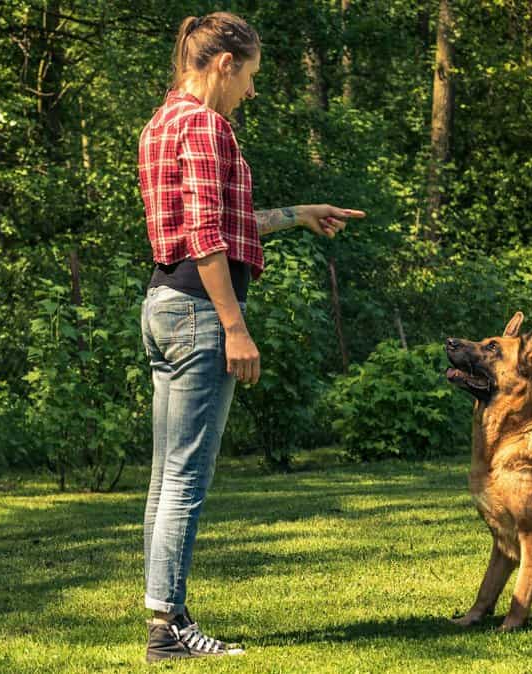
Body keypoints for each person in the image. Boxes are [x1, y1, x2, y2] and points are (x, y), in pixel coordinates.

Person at [137, 11, 366, 664]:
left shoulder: (162, 124)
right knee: (186, 480)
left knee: (164, 479)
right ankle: (168, 630)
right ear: (224, 64)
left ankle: (167, 614)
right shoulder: (208, 126)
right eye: (252, 77)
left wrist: (299, 215)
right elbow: (208, 236)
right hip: (199, 313)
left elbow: (220, 223)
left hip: (162, 302)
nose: (253, 93)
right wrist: (235, 327)